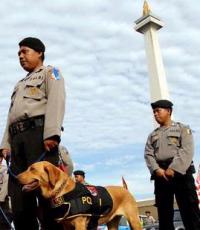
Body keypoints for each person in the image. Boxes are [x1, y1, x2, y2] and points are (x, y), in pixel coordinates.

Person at [0, 37, 66, 230]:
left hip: (38, 137)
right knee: (19, 197)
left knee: (48, 196)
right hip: (17, 141)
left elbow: (56, 100)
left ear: (39, 53)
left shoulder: (50, 73)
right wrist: (5, 144)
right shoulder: (19, 84)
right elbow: (11, 117)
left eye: (25, 51)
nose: (21, 56)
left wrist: (52, 133)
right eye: (19, 53)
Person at [144, 99, 200, 230]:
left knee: (190, 211)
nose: (155, 114)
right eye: (154, 112)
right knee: (164, 214)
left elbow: (186, 150)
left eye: (158, 111)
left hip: (181, 173)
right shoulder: (152, 135)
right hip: (160, 175)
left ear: (168, 111)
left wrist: (173, 168)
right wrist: (157, 170)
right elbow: (148, 154)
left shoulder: (182, 129)